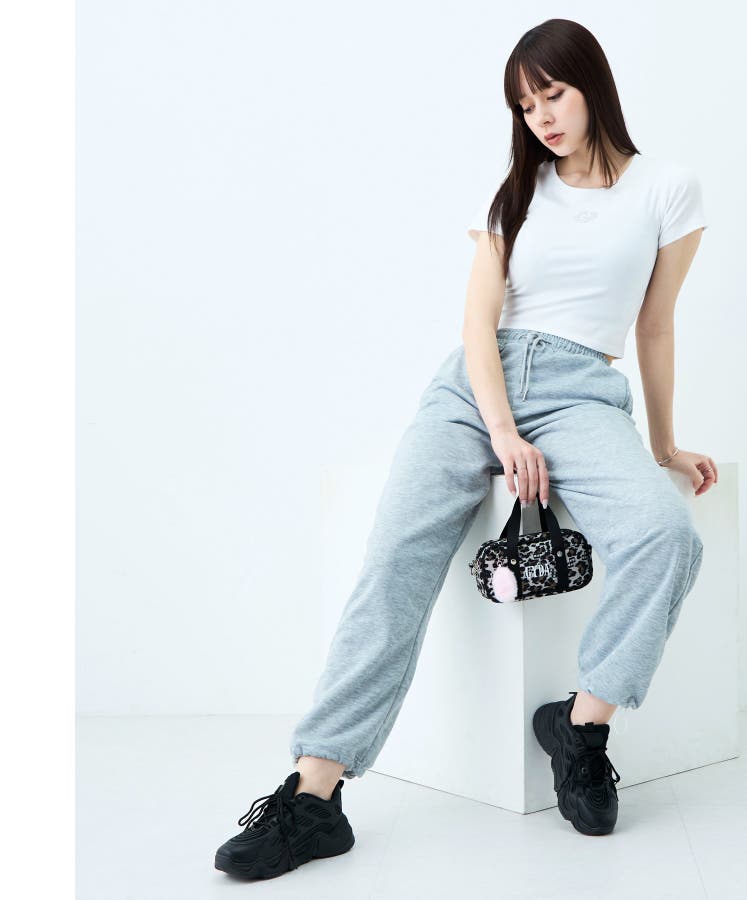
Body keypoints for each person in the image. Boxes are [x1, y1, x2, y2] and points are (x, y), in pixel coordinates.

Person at [214, 16, 718, 880]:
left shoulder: (667, 189)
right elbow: (477, 327)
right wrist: (503, 430)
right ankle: (315, 792)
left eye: (553, 94)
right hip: (474, 389)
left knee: (667, 534)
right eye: (525, 105)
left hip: (582, 391)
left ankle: (581, 725)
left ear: (592, 85)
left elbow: (655, 326)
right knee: (395, 557)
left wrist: (665, 443)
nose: (541, 117)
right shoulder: (512, 195)